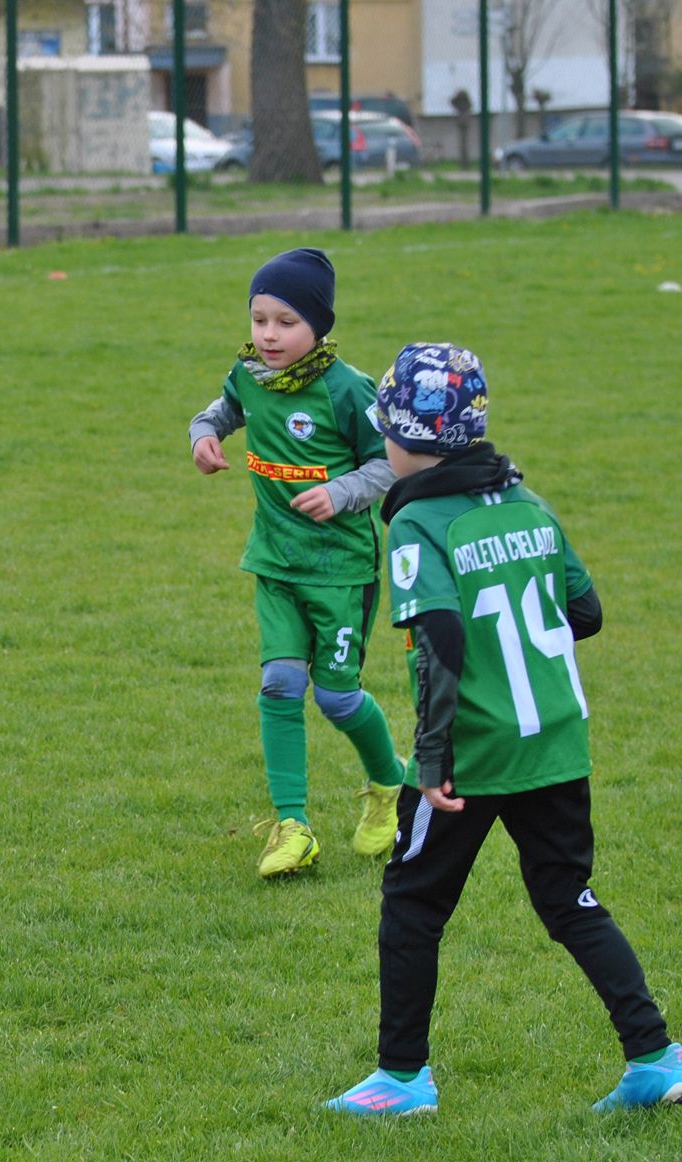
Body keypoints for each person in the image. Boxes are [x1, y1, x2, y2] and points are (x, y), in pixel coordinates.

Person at [325, 343, 682, 1116]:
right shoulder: (529, 505)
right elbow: (585, 611)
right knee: (569, 899)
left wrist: (429, 758)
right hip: (558, 739)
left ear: (410, 441)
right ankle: (655, 1054)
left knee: (412, 904)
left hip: (471, 751)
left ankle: (401, 1079)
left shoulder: (422, 523)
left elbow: (439, 640)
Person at [189, 247, 407, 878]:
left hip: (341, 571)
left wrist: (340, 493)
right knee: (280, 684)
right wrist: (203, 437)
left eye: (285, 322)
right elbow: (219, 411)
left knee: (337, 700)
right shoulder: (249, 374)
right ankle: (293, 826)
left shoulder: (347, 388)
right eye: (260, 320)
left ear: (318, 325)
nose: (268, 335)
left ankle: (389, 788)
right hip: (276, 565)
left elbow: (389, 464)